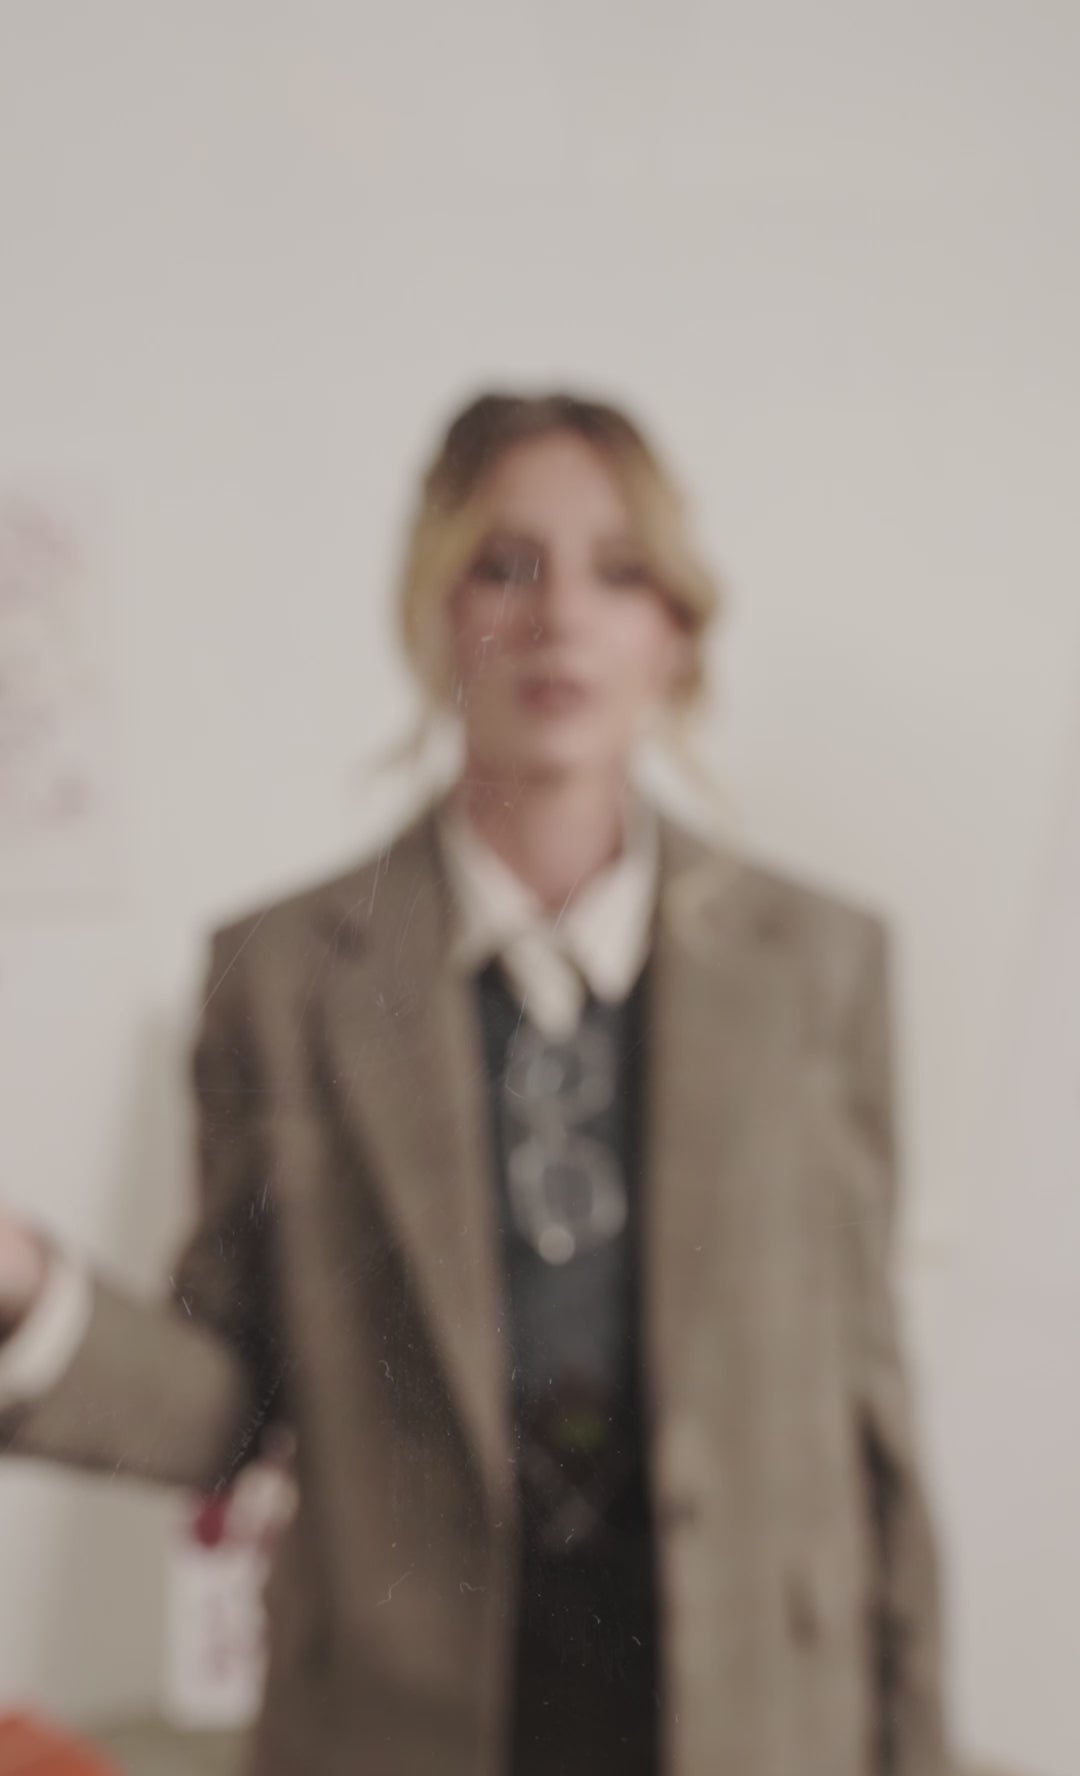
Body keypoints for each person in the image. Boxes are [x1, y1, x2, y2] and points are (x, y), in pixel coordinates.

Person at [0, 391, 948, 1776]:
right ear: (435, 610)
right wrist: (26, 1289)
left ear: (675, 629)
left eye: (618, 572)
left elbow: (870, 1412)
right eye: (507, 565)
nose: (561, 616)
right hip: (399, 1728)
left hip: (759, 1724)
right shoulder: (283, 977)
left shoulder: (818, 966)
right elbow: (230, 1397)